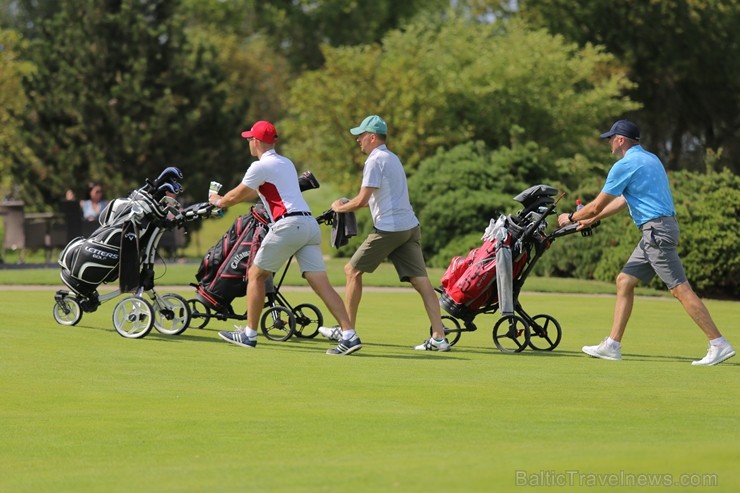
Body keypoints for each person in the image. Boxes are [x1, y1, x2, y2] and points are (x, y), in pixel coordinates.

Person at [558, 119, 734, 366]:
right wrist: (594, 219)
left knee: (680, 289)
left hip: (655, 232)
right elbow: (623, 200)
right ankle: (612, 345)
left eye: (611, 138)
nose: (608, 142)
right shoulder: (651, 159)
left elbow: (597, 204)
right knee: (625, 280)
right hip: (659, 230)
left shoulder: (625, 164)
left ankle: (718, 343)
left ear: (620, 140)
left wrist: (571, 217)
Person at [208, 120, 361, 355]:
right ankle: (349, 334)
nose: (249, 142)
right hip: (308, 225)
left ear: (257, 142)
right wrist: (228, 199)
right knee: (321, 283)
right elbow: (252, 192)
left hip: (288, 225)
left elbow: (238, 193)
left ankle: (249, 334)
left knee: (255, 275)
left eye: (250, 139)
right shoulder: (286, 163)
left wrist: (218, 201)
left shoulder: (258, 166)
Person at [320, 115, 451, 352]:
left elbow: (361, 201)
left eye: (361, 136)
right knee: (421, 282)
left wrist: (338, 208)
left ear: (372, 137)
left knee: (352, 271)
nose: (358, 140)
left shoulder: (374, 160)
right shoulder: (392, 158)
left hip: (390, 229)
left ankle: (347, 332)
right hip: (409, 227)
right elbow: (374, 197)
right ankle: (439, 337)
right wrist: (349, 203)